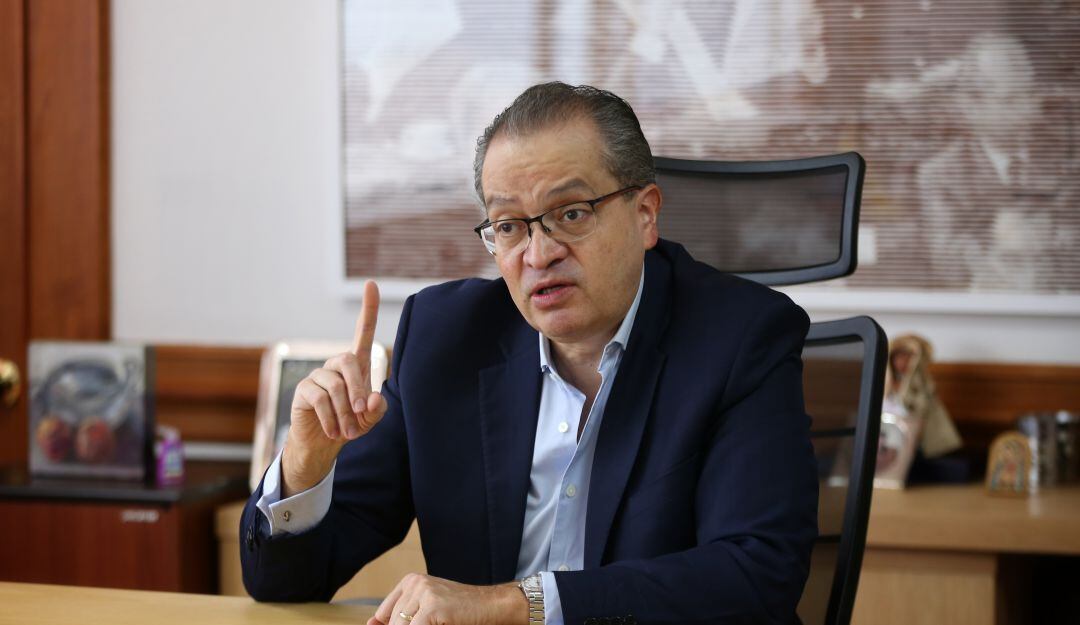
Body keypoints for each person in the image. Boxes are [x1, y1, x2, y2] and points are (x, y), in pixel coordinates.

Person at [240, 82, 817, 625]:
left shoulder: (740, 337)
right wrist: (305, 465)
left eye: (571, 214)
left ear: (645, 214)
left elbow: (756, 574)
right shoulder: (445, 339)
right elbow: (284, 583)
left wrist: (520, 605)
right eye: (510, 226)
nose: (539, 255)